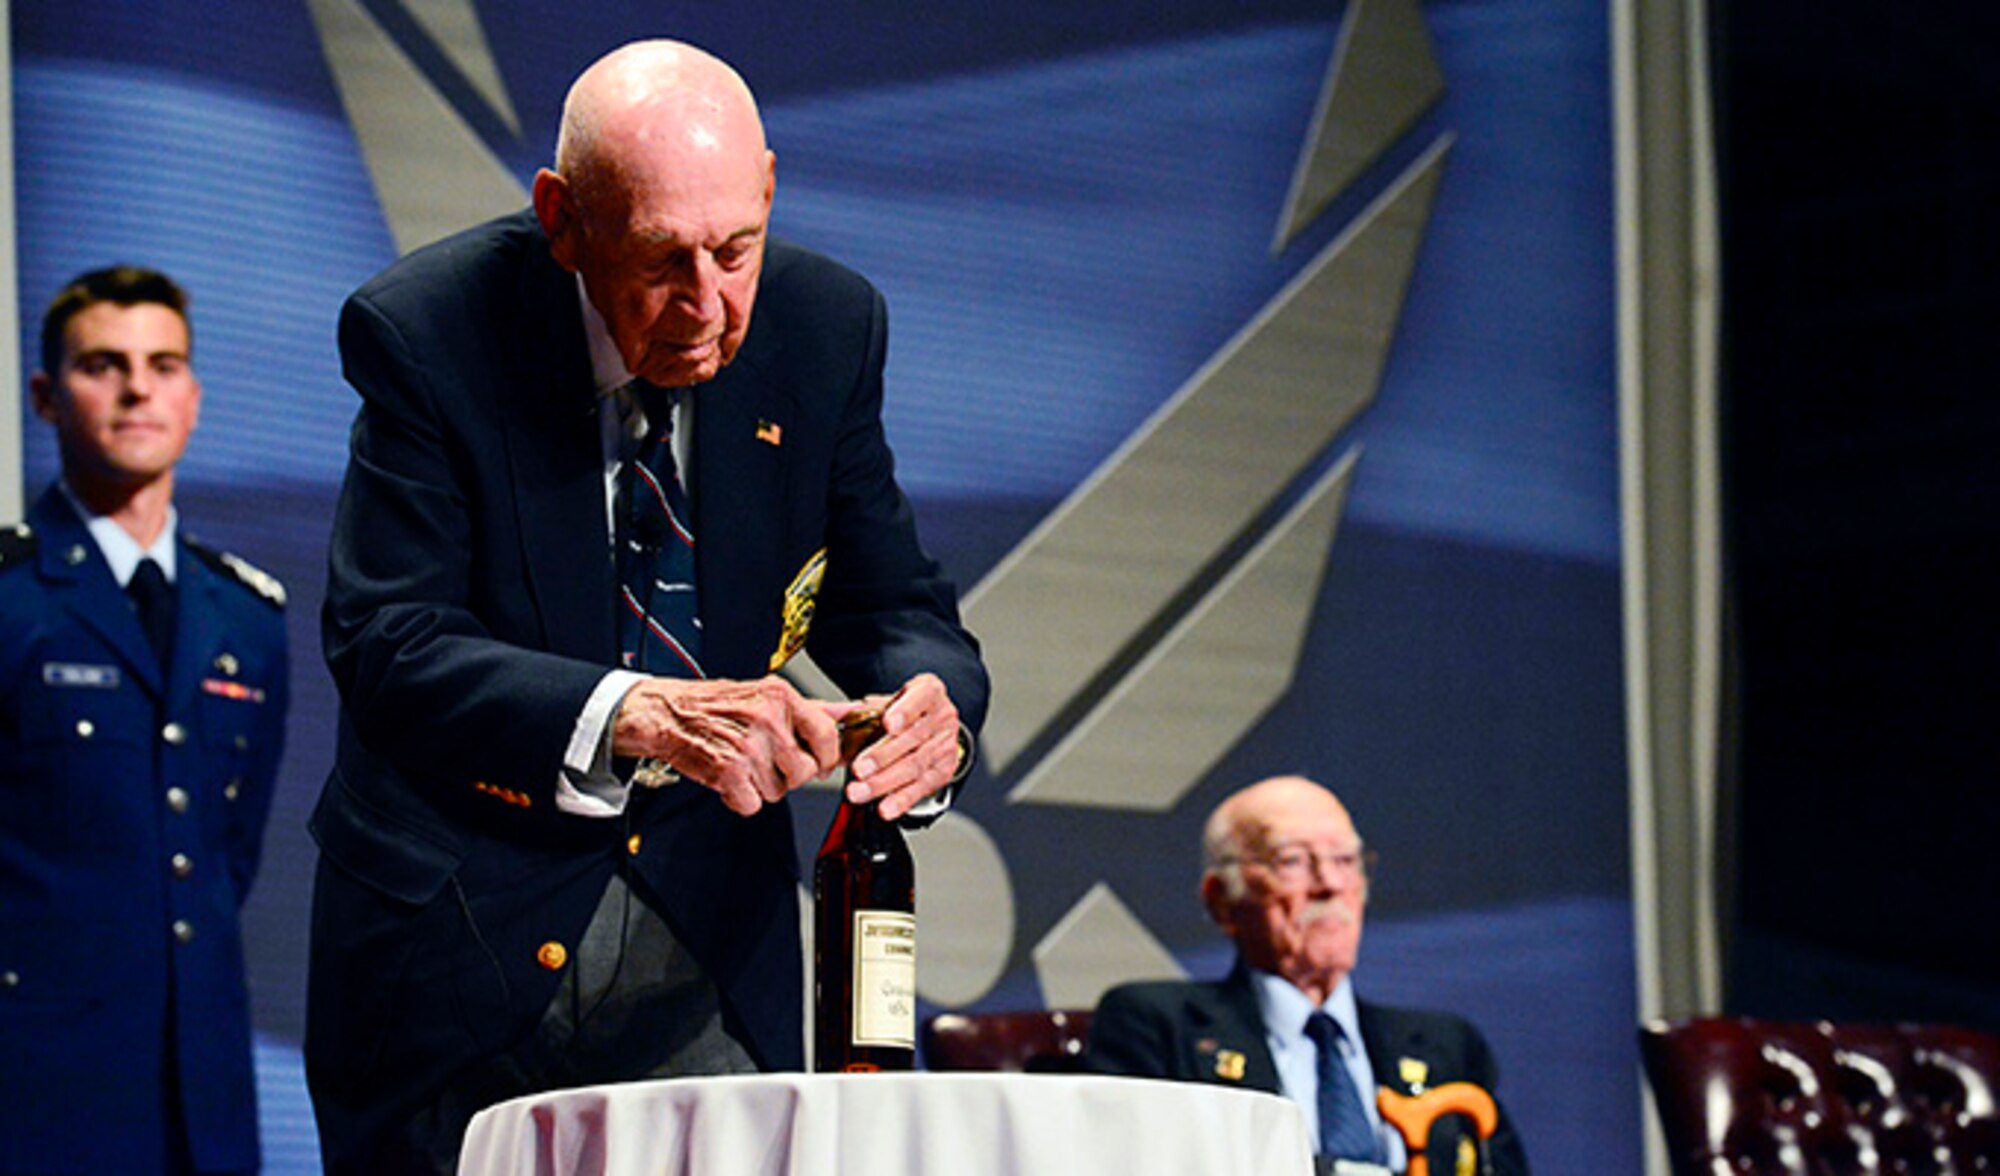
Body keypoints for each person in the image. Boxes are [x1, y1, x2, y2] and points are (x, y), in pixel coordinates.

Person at [305, 38, 988, 1173]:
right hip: (459, 946)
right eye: (661, 259)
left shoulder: (824, 331)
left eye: (735, 250)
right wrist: (637, 713)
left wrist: (936, 708)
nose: (706, 306)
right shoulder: (426, 331)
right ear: (563, 221)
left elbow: (896, 605)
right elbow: (388, 642)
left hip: (709, 940)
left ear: (767, 186)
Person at [0, 266, 289, 1175]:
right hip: (36, 1089)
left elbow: (221, 855)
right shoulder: (9, 598)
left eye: (163, 364)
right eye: (103, 365)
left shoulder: (247, 616)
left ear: (194, 398)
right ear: (46, 395)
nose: (137, 387)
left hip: (201, 1093)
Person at [1088, 776, 1529, 1176]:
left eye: (1344, 860)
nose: (1329, 883)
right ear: (1221, 900)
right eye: (1293, 860)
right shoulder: (1157, 1026)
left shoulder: (1446, 1046)